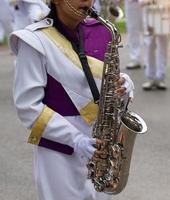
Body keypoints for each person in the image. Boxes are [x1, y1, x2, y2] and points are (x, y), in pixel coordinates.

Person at [9, 0, 134, 199]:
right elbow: (28, 108)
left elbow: (108, 84)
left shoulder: (102, 31)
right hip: (59, 150)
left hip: (102, 144)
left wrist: (124, 86)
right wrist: (76, 140)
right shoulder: (33, 40)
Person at [140, 0, 170, 90]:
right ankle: (150, 77)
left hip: (164, 12)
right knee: (149, 46)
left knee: (163, 47)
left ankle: (161, 78)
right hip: (149, 11)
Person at [125, 0, 143, 69]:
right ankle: (135, 58)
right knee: (132, 30)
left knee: (148, 30)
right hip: (131, 3)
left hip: (147, 3)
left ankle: (149, 60)